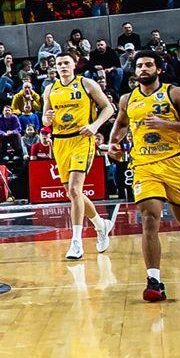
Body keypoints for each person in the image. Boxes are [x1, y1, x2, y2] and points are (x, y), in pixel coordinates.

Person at [111, 51, 180, 303]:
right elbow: (121, 124)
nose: (143, 69)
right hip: (143, 164)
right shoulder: (127, 99)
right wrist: (114, 142)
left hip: (174, 162)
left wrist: (166, 124)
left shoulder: (174, 93)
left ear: (159, 69)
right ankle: (153, 281)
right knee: (149, 218)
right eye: (139, 66)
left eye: (148, 65)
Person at [42, 52, 114, 260]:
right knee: (73, 193)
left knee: (74, 189)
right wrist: (46, 119)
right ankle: (100, 225)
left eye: (66, 63)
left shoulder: (86, 84)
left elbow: (108, 108)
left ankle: (76, 242)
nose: (63, 66)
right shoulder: (50, 89)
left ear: (74, 65)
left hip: (82, 139)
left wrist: (95, 125)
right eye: (59, 64)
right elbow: (45, 120)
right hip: (60, 142)